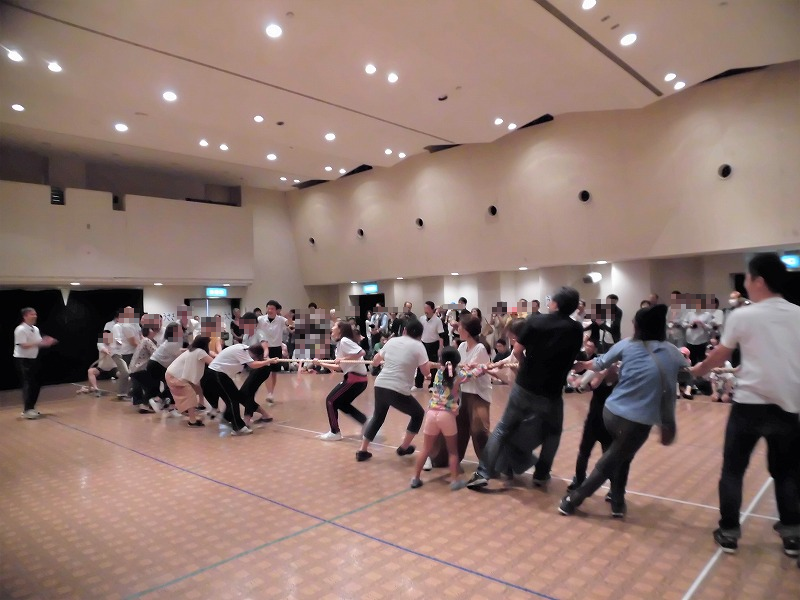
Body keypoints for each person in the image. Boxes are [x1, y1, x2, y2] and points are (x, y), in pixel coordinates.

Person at [689, 253, 800, 557]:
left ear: (759, 281)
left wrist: (699, 370)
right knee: (787, 472)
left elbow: (720, 354)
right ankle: (792, 534)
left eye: (748, 278)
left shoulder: (743, 316)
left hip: (749, 406)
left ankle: (728, 532)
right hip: (788, 406)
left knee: (733, 470)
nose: (746, 284)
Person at [558, 304, 686, 518]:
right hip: (637, 422)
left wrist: (582, 365)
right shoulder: (672, 352)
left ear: (639, 326)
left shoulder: (626, 344)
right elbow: (688, 372)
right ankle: (574, 500)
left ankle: (618, 501)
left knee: (621, 456)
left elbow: (599, 363)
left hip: (611, 412)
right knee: (613, 460)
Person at [467, 287, 583, 490]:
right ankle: (541, 475)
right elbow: (571, 357)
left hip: (525, 386)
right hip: (552, 392)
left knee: (503, 428)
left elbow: (518, 350)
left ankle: (482, 473)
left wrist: (526, 366)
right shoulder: (576, 329)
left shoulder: (535, 321)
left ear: (555, 303)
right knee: (553, 433)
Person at [410, 347, 485, 491]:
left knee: (425, 449)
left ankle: (415, 478)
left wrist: (466, 367)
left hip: (431, 414)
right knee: (453, 451)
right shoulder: (458, 375)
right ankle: (455, 480)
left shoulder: (439, 372)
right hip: (447, 415)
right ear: (458, 361)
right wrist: (483, 366)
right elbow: (475, 373)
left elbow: (450, 370)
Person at [357, 319, 431, 462]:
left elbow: (376, 361)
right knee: (418, 414)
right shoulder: (419, 346)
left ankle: (362, 450)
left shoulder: (392, 341)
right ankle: (404, 447)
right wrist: (427, 365)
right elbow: (426, 372)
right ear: (420, 335)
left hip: (380, 384)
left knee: (378, 417)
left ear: (404, 331)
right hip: (397, 389)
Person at [430, 314, 492, 469]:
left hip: (478, 395)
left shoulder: (480, 348)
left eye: (460, 327)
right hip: (463, 394)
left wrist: (464, 372)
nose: (458, 329)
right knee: (457, 428)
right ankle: (444, 459)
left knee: (479, 431)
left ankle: (490, 465)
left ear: (468, 331)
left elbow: (469, 374)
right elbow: (458, 369)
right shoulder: (462, 346)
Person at [566, 364, 619, 493]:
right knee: (583, 453)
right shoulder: (598, 378)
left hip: (609, 425)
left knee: (609, 459)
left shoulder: (621, 380)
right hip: (593, 422)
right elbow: (583, 387)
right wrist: (599, 374)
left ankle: (614, 490)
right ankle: (579, 480)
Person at [206, 341, 276, 433]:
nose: (253, 359)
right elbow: (253, 365)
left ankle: (231, 420)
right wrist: (269, 361)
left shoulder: (244, 349)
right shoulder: (243, 352)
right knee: (233, 399)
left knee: (237, 397)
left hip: (218, 373)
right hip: (217, 374)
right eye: (254, 358)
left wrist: (267, 361)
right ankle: (238, 427)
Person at [318, 321, 369, 441]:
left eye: (335, 326)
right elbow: (340, 367)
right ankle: (365, 421)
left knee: (331, 400)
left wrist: (343, 358)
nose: (332, 328)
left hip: (355, 379)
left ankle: (335, 432)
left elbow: (361, 352)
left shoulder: (345, 341)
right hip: (358, 380)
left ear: (340, 330)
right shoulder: (340, 345)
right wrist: (321, 363)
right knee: (341, 403)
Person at [13, 307, 58, 419]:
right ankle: (27, 410)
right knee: (28, 383)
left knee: (36, 383)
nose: (35, 316)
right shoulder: (20, 329)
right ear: (25, 316)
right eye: (32, 314)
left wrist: (47, 341)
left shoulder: (36, 329)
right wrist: (41, 343)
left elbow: (39, 341)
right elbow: (23, 345)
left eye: (36, 314)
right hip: (23, 359)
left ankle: (31, 408)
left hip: (33, 358)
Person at [165, 336, 214, 427]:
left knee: (196, 388)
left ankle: (187, 409)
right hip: (175, 376)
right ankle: (192, 421)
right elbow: (213, 363)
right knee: (190, 396)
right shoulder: (200, 352)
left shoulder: (192, 350)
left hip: (171, 374)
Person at [416, 301, 444, 390]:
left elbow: (441, 336)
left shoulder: (437, 320)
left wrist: (440, 348)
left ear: (432, 309)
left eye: (427, 308)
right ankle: (418, 384)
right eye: (424, 308)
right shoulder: (422, 318)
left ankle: (433, 385)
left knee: (433, 366)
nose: (425, 310)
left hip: (433, 344)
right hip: (423, 343)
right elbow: (419, 332)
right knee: (420, 363)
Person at [86, 330, 118, 395]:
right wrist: (106, 351)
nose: (105, 338)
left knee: (124, 374)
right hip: (102, 368)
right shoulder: (100, 343)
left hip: (114, 367)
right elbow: (103, 349)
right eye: (104, 336)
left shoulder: (114, 343)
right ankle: (96, 389)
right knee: (90, 371)